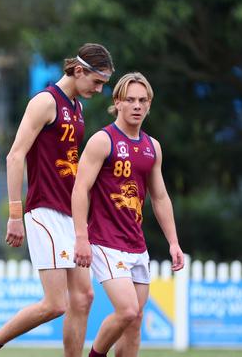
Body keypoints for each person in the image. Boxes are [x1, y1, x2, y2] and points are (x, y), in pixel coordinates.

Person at [0, 43, 114, 357]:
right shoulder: (45, 102)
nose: (99, 90)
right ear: (79, 70)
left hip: (71, 214)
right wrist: (15, 214)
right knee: (56, 304)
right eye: (97, 82)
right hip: (44, 211)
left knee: (84, 299)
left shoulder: (77, 107)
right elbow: (15, 156)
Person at [71, 72, 184, 357]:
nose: (137, 105)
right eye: (130, 100)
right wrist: (81, 237)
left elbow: (159, 197)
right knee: (127, 309)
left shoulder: (152, 147)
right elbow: (80, 189)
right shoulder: (102, 141)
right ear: (117, 103)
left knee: (135, 322)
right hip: (105, 243)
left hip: (137, 246)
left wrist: (173, 242)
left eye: (142, 100)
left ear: (149, 105)